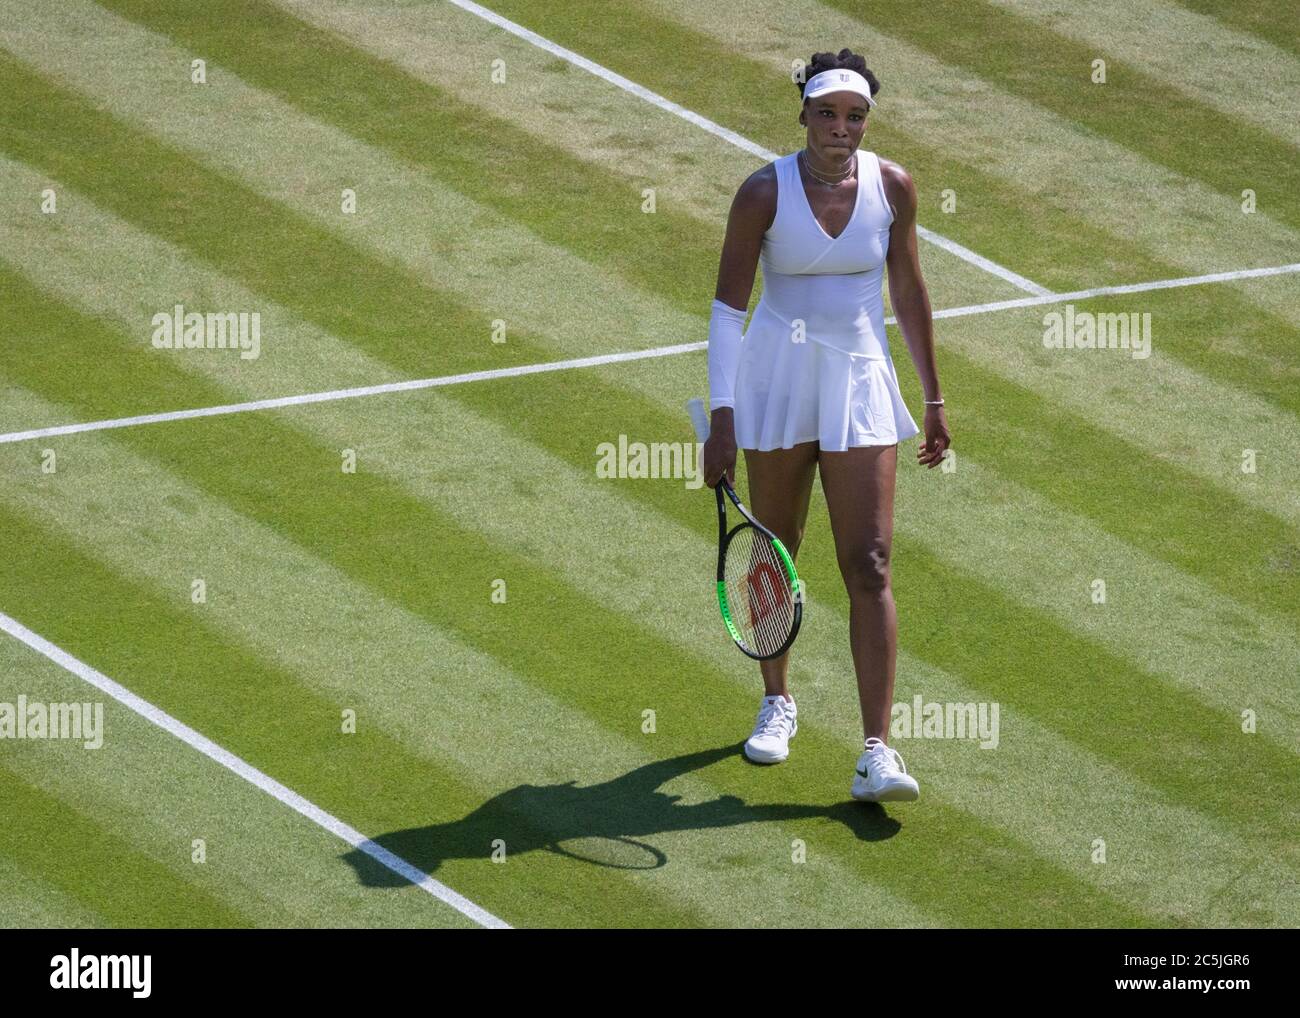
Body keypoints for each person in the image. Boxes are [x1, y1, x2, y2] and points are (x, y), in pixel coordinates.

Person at [702, 50, 950, 802]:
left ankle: (877, 751)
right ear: (804, 115)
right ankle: (777, 700)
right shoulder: (761, 193)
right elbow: (725, 311)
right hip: (777, 379)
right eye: (827, 114)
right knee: (775, 549)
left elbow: (907, 288)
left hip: (860, 383)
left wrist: (934, 399)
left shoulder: (894, 187)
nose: (841, 128)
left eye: (854, 116)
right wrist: (721, 418)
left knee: (869, 562)